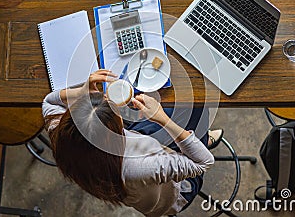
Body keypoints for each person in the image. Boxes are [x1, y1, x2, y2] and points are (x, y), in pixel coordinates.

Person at [42, 69, 223, 216]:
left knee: (179, 114)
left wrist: (82, 90)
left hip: (139, 153)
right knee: (198, 106)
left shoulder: (61, 135)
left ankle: (198, 139)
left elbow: (49, 101)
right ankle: (202, 140)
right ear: (112, 133)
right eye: (114, 111)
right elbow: (203, 162)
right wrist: (161, 119)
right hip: (178, 191)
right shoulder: (140, 166)